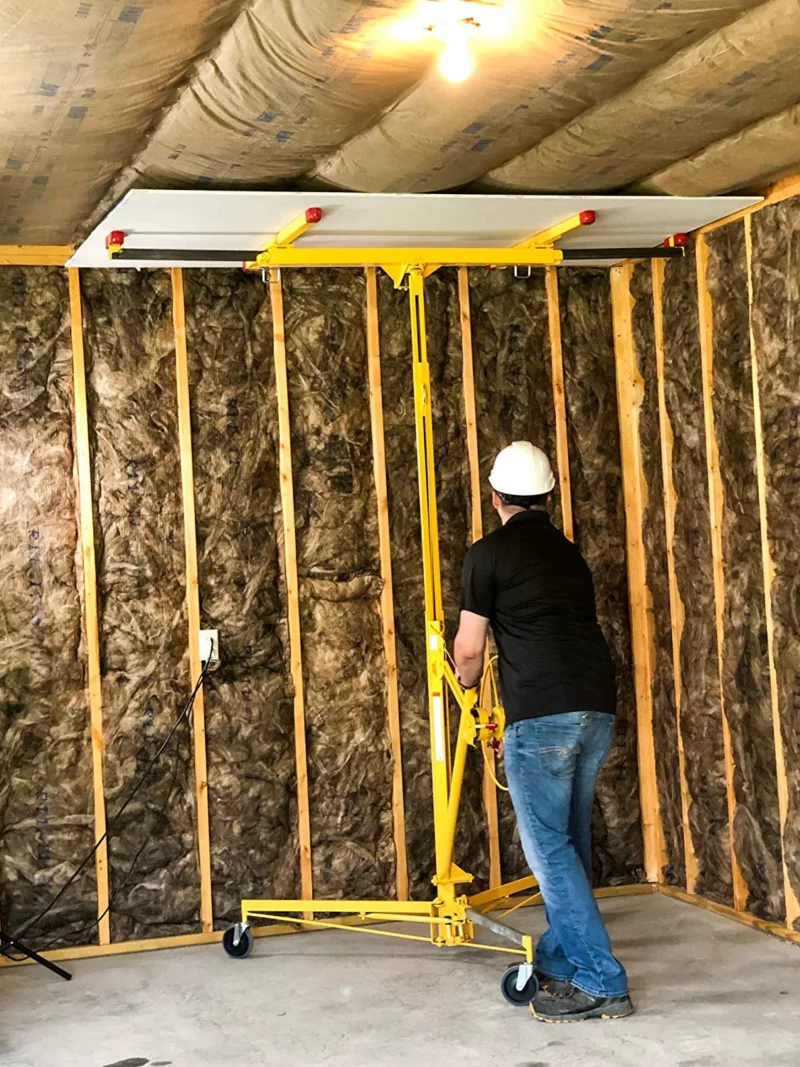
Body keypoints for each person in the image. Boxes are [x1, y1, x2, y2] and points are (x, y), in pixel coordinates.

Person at [453, 441, 633, 1023]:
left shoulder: (487, 555)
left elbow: (470, 648)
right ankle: (559, 957)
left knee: (548, 849)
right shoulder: (571, 556)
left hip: (542, 716)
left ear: (495, 497)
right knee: (569, 841)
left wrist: (464, 684)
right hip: (596, 708)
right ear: (549, 496)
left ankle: (601, 980)